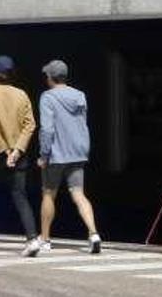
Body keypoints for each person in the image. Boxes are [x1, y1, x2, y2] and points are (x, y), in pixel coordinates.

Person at [0, 55, 42, 257]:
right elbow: (30, 125)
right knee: (20, 196)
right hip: (18, 154)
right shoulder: (22, 95)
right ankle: (32, 239)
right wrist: (17, 150)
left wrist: (5, 151)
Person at [37, 60, 101, 254]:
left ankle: (46, 239)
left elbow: (47, 129)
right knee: (79, 194)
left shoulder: (47, 97)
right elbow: (82, 123)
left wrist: (43, 154)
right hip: (78, 153)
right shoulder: (80, 96)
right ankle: (93, 234)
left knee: (49, 194)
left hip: (56, 155)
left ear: (50, 77)